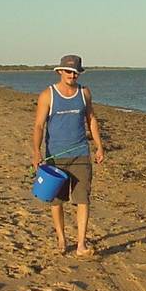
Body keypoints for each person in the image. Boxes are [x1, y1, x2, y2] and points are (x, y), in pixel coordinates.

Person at [32, 54, 105, 257]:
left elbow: (91, 119)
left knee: (83, 199)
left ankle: (81, 244)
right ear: (60, 72)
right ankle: (62, 239)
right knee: (57, 201)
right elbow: (39, 126)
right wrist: (36, 151)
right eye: (68, 72)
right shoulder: (47, 95)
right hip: (55, 156)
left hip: (81, 154)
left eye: (75, 73)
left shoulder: (84, 93)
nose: (72, 76)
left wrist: (99, 146)